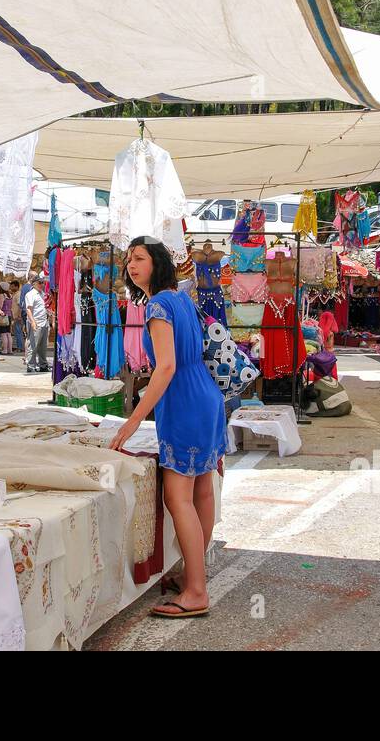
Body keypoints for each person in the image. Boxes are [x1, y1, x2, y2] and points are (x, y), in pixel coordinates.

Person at [111, 236, 225, 619]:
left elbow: (166, 367)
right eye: (128, 260)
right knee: (202, 491)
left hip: (186, 402)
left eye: (139, 258)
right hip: (206, 398)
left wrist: (132, 421)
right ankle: (193, 575)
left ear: (157, 263)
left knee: (178, 497)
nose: (131, 265)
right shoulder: (181, 298)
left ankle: (195, 590)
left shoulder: (158, 304)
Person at [23, 272, 50, 374]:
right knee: (33, 345)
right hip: (36, 321)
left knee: (43, 346)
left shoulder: (42, 294)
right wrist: (33, 322)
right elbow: (29, 309)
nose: (42, 284)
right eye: (40, 282)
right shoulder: (30, 294)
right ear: (34, 283)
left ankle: (43, 364)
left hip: (44, 321)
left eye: (43, 283)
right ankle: (31, 365)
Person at [9, 279, 26, 357]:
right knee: (17, 332)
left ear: (16, 286)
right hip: (15, 316)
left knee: (18, 332)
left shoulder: (18, 294)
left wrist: (19, 315)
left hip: (17, 316)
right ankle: (19, 346)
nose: (11, 288)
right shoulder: (15, 294)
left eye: (12, 286)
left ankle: (20, 347)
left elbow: (20, 305)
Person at [0, 284, 13, 355]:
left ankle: (5, 350)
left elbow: (0, 305)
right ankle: (10, 350)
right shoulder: (10, 296)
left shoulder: (2, 295)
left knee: (3, 334)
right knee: (8, 333)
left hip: (3, 316)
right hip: (9, 315)